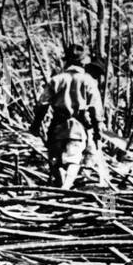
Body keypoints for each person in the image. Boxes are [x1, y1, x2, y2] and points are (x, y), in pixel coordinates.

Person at [31, 44, 104, 190]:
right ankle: (65, 188)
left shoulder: (56, 80)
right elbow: (95, 109)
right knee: (74, 159)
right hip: (78, 127)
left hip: (57, 126)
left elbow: (42, 104)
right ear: (83, 62)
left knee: (56, 160)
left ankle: (62, 187)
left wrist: (36, 125)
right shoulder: (88, 81)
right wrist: (98, 131)